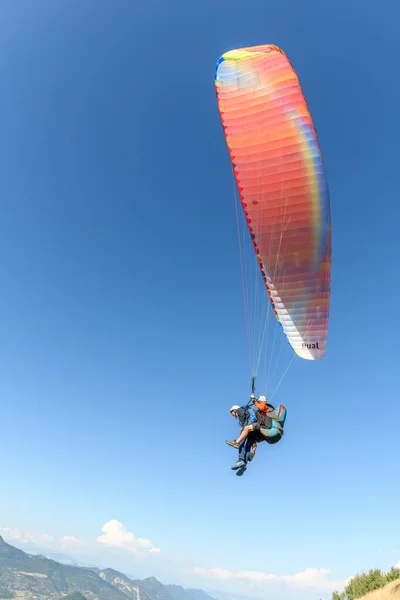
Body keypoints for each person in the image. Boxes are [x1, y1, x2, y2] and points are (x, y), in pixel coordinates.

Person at [227, 403, 259, 476]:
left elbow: (244, 419)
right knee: (247, 447)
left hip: (248, 428)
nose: (233, 415)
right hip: (254, 429)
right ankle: (244, 465)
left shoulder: (239, 410)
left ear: (234, 410)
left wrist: (243, 430)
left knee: (241, 444)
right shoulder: (246, 411)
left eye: (232, 412)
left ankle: (241, 460)